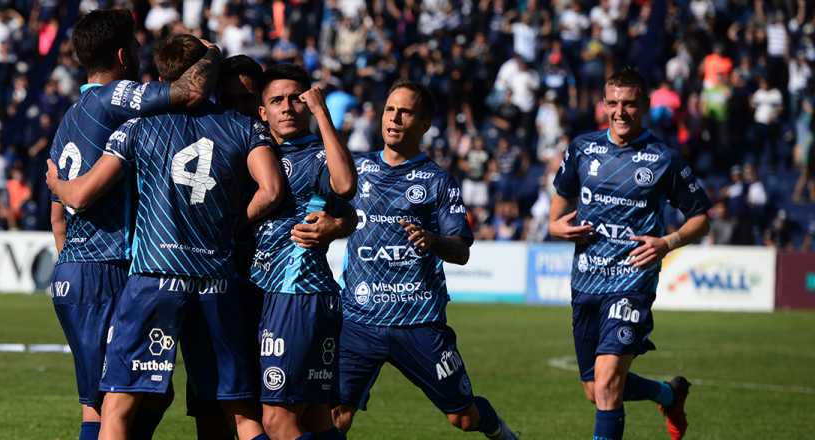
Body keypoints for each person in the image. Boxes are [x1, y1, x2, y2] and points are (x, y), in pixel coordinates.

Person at [47, 34, 284, 440]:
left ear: (159, 77)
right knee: (241, 413)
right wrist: (228, 224)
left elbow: (83, 194)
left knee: (117, 408)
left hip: (155, 276)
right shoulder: (243, 126)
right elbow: (273, 191)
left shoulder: (137, 127)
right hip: (215, 277)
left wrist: (56, 184)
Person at [331, 80, 519, 440]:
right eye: (390, 109)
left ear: (424, 124)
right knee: (336, 415)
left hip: (418, 321)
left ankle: (501, 433)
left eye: (406, 112)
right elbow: (335, 219)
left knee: (462, 418)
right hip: (358, 319)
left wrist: (432, 240)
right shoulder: (355, 170)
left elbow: (461, 251)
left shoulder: (436, 181)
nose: (395, 118)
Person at [548, 68, 712, 440]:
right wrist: (557, 227)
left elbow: (701, 219)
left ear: (645, 106)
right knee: (596, 390)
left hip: (632, 281)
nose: (620, 112)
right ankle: (668, 395)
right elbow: (557, 210)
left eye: (630, 104)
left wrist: (667, 242)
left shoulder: (664, 158)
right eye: (613, 103)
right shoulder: (582, 148)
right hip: (586, 280)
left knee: (607, 383)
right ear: (604, 104)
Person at [250, 63, 357, 440]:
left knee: (278, 420)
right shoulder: (258, 154)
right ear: (263, 112)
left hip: (295, 294)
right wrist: (342, 223)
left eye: (296, 99)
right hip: (288, 295)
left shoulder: (317, 155)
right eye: (276, 101)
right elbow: (349, 216)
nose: (287, 107)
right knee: (314, 417)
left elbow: (344, 188)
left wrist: (323, 115)